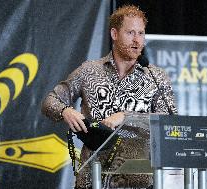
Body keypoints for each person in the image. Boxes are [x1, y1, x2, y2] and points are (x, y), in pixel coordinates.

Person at [41, 5, 177, 189]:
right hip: (92, 179)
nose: (137, 40)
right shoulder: (89, 71)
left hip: (138, 181)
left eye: (141, 33)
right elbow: (50, 101)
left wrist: (126, 116)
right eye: (130, 33)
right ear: (114, 33)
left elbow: (169, 122)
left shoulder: (156, 76)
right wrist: (66, 111)